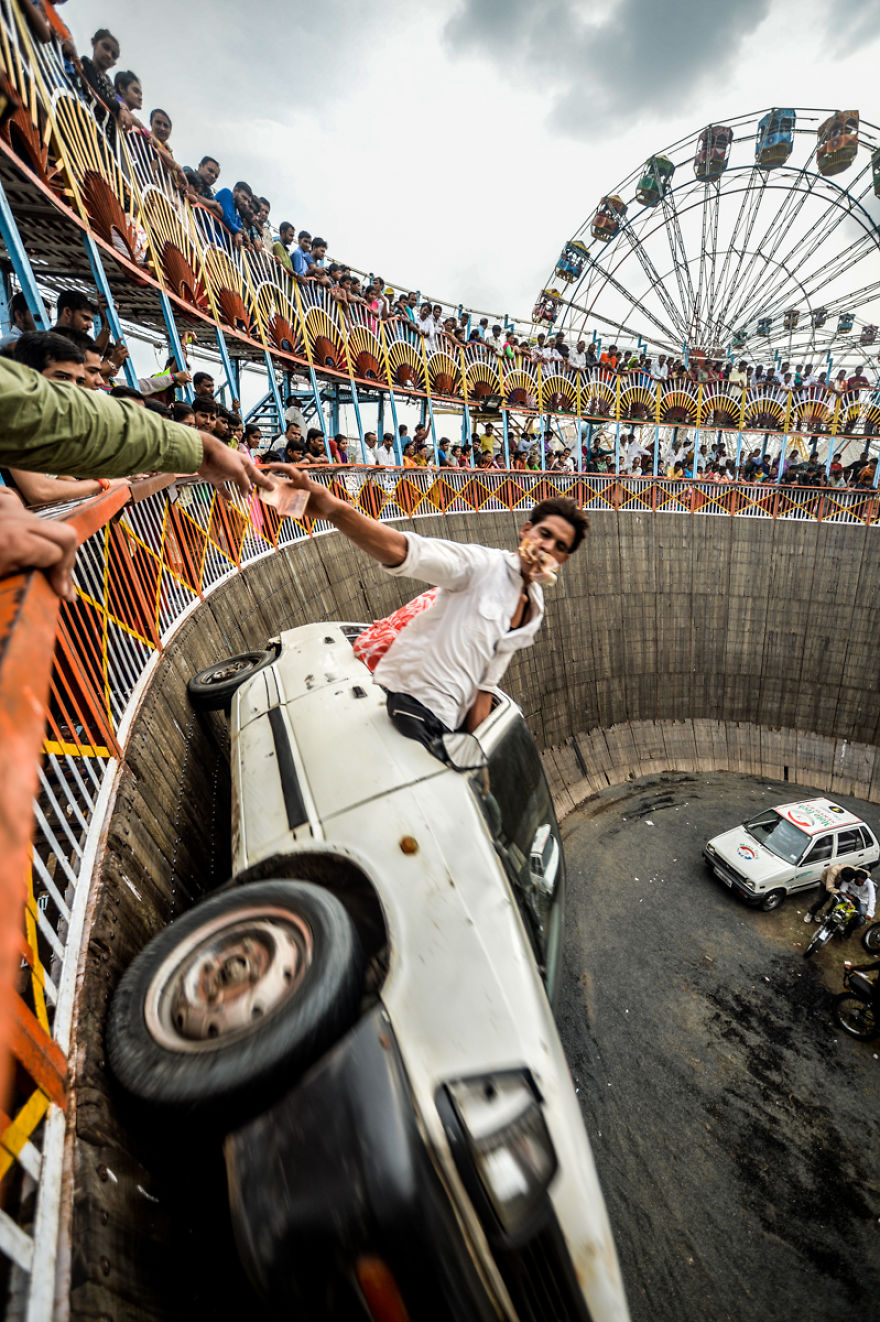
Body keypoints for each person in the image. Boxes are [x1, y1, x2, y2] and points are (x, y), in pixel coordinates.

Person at [262, 474, 588, 740]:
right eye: (544, 534)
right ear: (526, 530)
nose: (547, 547)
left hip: (448, 721)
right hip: (416, 706)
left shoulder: (533, 607)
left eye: (559, 546)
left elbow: (486, 682)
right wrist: (335, 510)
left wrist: (476, 750)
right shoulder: (481, 566)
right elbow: (404, 552)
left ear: (564, 559)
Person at [0, 356, 271, 595]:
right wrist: (108, 483)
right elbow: (41, 491)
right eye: (63, 377)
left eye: (78, 379)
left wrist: (192, 452)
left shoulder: (58, 425)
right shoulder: (17, 419)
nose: (77, 387)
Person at [804, 865, 876, 934]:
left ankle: (847, 930)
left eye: (862, 882)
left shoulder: (867, 882)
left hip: (862, 900)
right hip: (839, 890)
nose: (860, 883)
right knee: (832, 900)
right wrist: (848, 900)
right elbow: (839, 889)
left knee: (861, 918)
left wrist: (870, 913)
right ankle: (826, 914)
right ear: (854, 878)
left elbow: (872, 898)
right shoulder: (845, 876)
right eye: (858, 881)